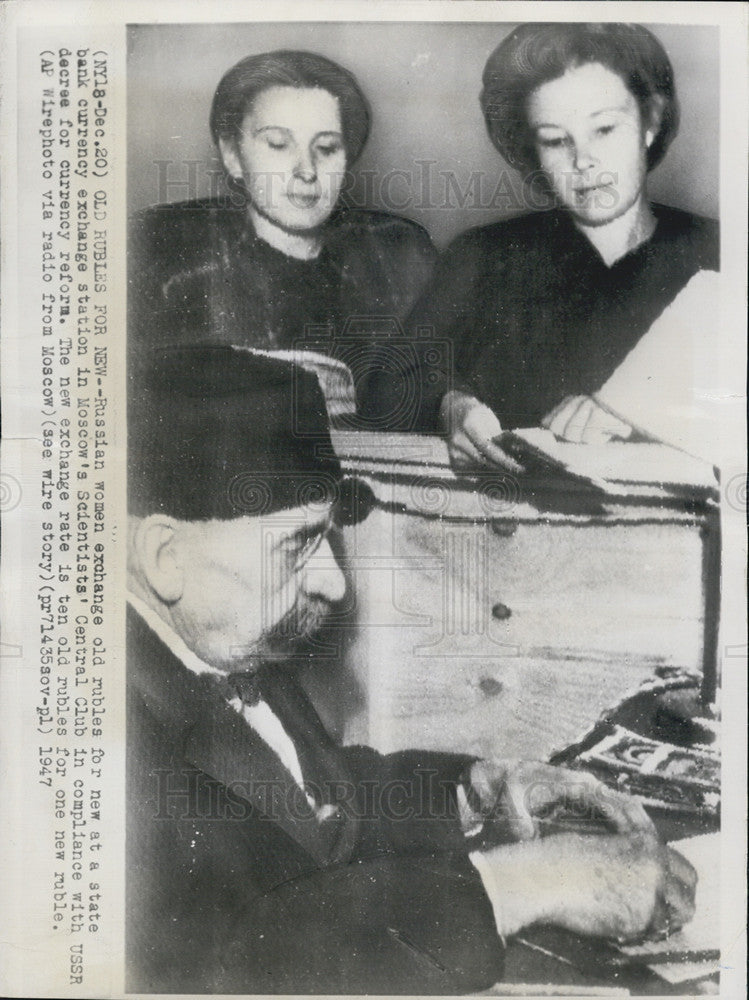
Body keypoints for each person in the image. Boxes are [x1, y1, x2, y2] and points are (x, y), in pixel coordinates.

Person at [126, 342, 696, 994]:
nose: (334, 585)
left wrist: (475, 793)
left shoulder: (226, 638)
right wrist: (528, 883)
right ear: (164, 557)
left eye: (326, 538)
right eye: (295, 546)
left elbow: (316, 808)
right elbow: (240, 962)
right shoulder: (101, 739)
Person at [390, 23, 718, 468]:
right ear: (531, 150)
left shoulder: (720, 251)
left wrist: (645, 413)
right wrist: (450, 406)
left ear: (651, 121)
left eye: (604, 129)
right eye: (555, 139)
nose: (583, 161)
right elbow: (388, 382)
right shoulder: (484, 256)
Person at [128, 50, 436, 420]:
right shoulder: (162, 253)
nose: (306, 170)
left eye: (326, 148)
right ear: (233, 156)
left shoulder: (400, 253)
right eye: (277, 144)